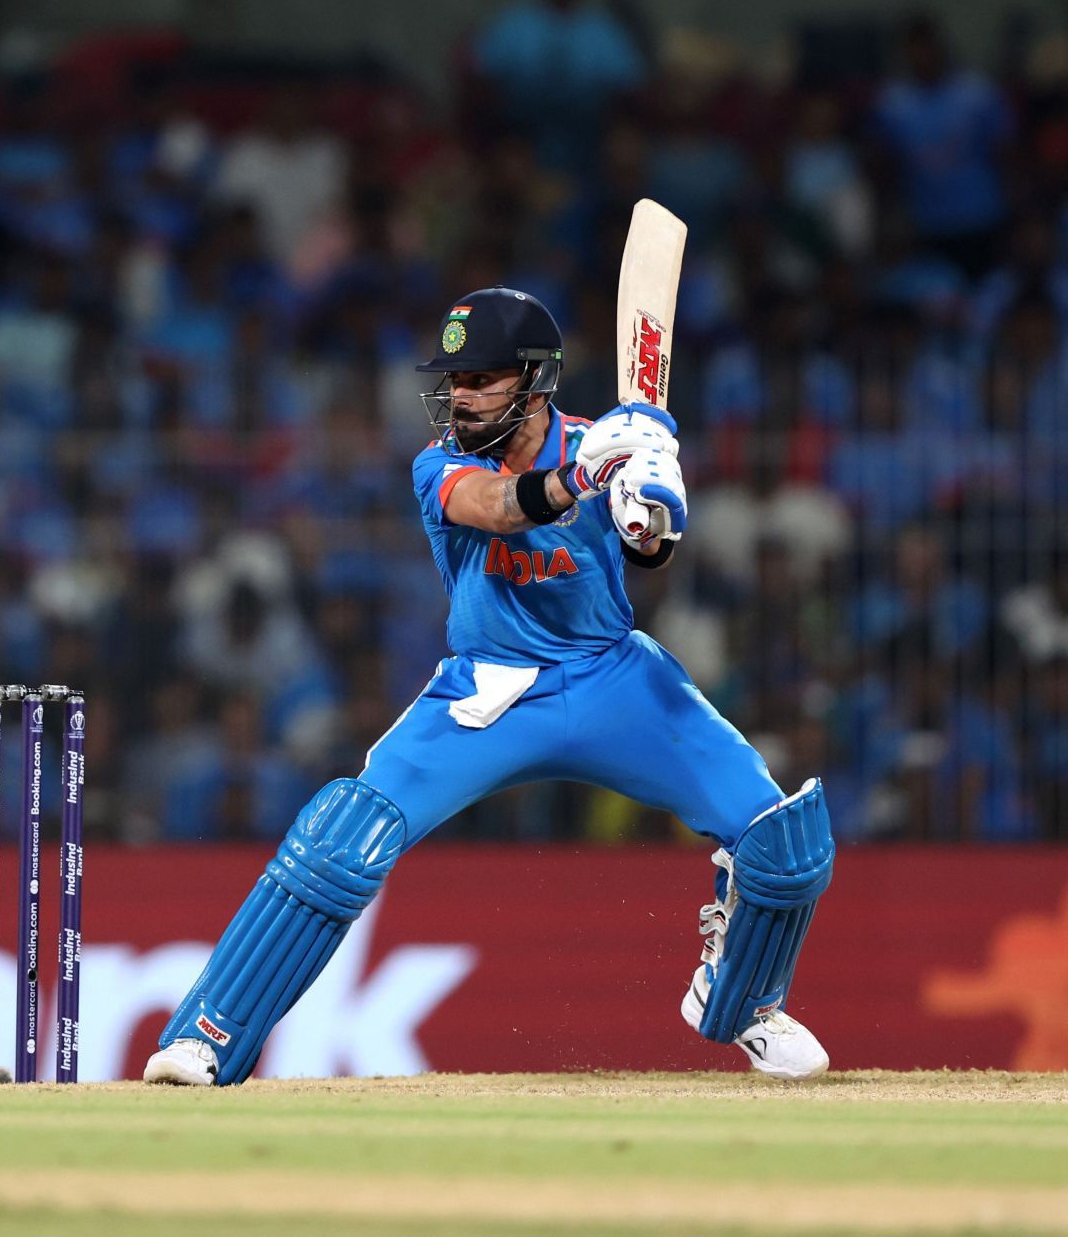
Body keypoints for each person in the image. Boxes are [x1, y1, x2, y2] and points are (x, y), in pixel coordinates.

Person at [144, 288, 835, 1086]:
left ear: (535, 381)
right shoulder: (444, 462)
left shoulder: (604, 443)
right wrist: (585, 473)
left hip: (613, 674)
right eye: (455, 379)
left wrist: (651, 504)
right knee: (340, 840)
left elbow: (650, 554)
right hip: (488, 688)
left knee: (784, 842)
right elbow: (502, 508)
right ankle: (207, 1034)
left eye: (482, 378)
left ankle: (744, 999)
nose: (460, 395)